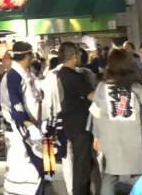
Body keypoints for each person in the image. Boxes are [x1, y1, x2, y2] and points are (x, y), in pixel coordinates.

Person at [90, 47, 142, 195]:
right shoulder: (135, 86)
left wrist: (96, 135)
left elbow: (95, 112)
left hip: (110, 138)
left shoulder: (103, 86)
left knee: (109, 175)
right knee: (139, 177)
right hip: (134, 139)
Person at [0, 42, 46, 195]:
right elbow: (15, 104)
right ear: (28, 56)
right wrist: (29, 125)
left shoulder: (25, 75)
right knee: (23, 168)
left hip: (30, 126)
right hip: (19, 128)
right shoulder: (13, 76)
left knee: (33, 169)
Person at [52, 42, 96, 195]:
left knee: (77, 162)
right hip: (80, 124)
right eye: (78, 54)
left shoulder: (57, 75)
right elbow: (91, 96)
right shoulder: (75, 76)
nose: (80, 57)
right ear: (73, 56)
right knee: (82, 164)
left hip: (66, 122)